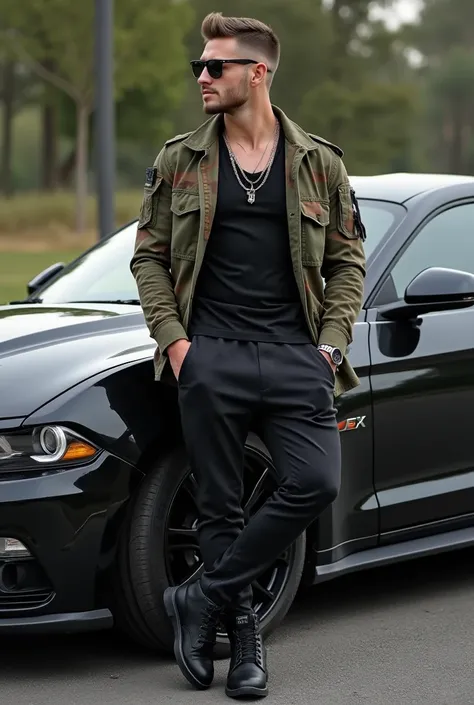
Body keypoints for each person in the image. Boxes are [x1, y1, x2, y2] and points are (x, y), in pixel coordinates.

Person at [130, 11, 366, 699]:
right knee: (221, 509)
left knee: (314, 480)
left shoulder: (319, 162)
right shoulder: (181, 158)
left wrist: (330, 343)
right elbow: (148, 257)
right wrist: (175, 342)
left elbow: (348, 261)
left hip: (297, 355)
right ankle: (244, 641)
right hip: (211, 355)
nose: (201, 77)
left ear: (256, 73)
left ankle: (197, 598)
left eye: (215, 66)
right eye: (198, 67)